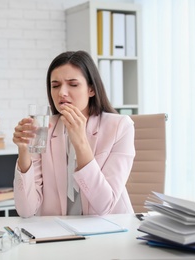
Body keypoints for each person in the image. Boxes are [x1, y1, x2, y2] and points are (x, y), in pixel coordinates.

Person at [12, 50, 135, 218]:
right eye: (55, 85)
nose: (62, 92)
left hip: (109, 230)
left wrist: (80, 142)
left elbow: (104, 205)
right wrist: (23, 151)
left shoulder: (120, 126)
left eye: (73, 84)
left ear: (91, 89)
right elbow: (26, 210)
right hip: (58, 233)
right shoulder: (43, 128)